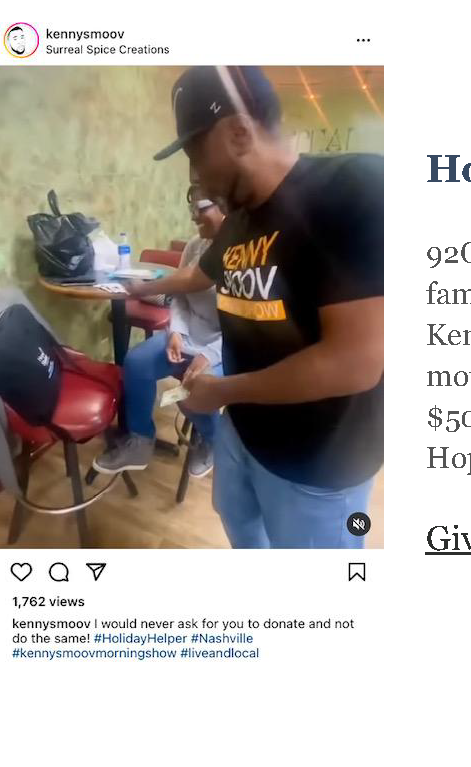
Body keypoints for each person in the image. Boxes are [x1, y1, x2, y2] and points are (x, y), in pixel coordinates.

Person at [129, 69, 384, 549]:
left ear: (239, 133)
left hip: (319, 469)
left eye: (195, 156)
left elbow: (354, 362)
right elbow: (198, 280)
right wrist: (132, 290)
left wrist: (220, 389)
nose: (197, 177)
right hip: (242, 433)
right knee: (244, 533)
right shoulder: (237, 224)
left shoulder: (354, 189)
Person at [95, 188, 229, 480]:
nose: (194, 216)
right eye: (191, 207)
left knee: (193, 393)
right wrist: (177, 333)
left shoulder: (244, 256)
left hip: (225, 346)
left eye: (201, 208)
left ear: (226, 206)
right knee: (137, 362)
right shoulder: (195, 246)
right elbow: (178, 295)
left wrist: (208, 355)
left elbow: (244, 325)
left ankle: (214, 440)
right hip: (188, 335)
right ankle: (141, 440)